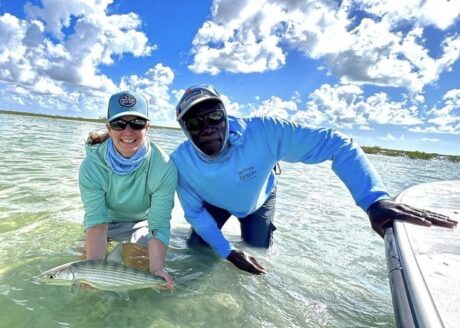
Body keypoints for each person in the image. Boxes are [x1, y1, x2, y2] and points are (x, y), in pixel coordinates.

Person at [170, 84, 458, 275]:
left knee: (259, 254)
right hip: (214, 203)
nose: (206, 127)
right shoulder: (180, 163)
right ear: (184, 128)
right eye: (194, 122)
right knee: (197, 252)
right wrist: (228, 252)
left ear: (226, 116)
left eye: (214, 116)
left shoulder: (265, 132)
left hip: (258, 199)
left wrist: (374, 200)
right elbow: (194, 212)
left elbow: (338, 144)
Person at [79, 90, 177, 287]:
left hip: (140, 223)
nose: (128, 131)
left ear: (147, 126)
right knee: (83, 267)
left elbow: (158, 224)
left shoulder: (163, 166)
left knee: (138, 263)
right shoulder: (91, 165)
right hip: (106, 221)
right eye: (119, 123)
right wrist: (93, 272)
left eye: (137, 123)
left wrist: (157, 269)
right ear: (108, 126)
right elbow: (97, 222)